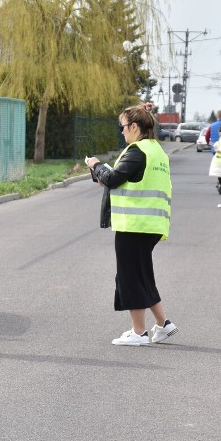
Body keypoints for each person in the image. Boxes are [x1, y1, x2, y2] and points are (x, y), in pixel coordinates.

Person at [85, 103, 178, 346]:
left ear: (135, 127)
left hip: (134, 224)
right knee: (142, 275)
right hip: (151, 224)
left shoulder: (137, 151)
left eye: (123, 127)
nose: (122, 132)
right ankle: (163, 324)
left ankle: (139, 333)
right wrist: (103, 175)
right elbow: (128, 180)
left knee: (129, 277)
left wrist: (96, 165)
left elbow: (114, 178)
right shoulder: (156, 150)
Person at [205, 110, 221, 194]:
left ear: (217, 116)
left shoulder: (211, 126)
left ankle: (220, 181)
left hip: (215, 150)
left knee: (218, 165)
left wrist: (210, 144)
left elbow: (207, 137)